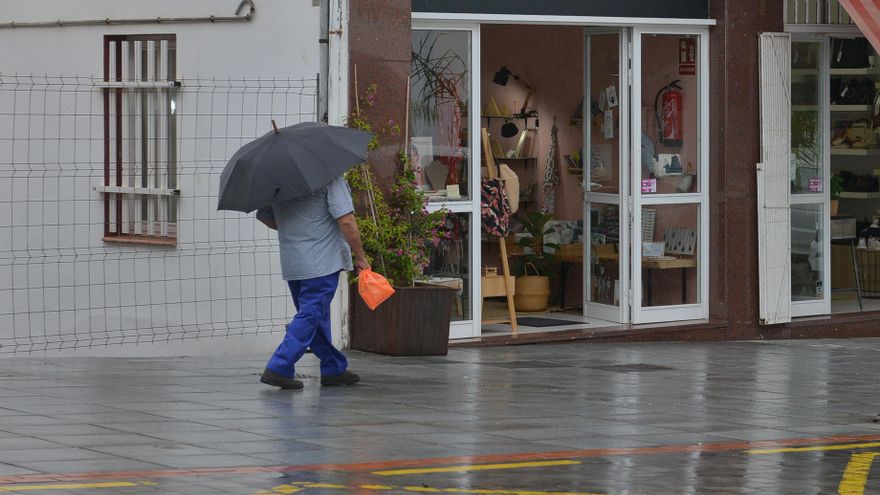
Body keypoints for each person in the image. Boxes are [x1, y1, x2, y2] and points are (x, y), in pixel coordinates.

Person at [256, 174, 369, 389]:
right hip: (322, 261)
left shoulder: (277, 180)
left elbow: (265, 217)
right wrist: (360, 255)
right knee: (310, 314)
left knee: (314, 315)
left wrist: (297, 230)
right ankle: (279, 365)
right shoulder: (329, 178)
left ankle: (333, 367)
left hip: (293, 260)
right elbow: (346, 219)